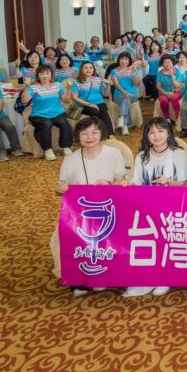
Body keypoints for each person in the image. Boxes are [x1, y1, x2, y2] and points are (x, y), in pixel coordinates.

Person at [55, 117, 128, 297]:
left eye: (94, 132)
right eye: (84, 133)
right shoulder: (70, 159)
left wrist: (110, 184)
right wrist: (60, 189)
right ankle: (80, 278)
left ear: (101, 134)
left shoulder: (114, 154)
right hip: (81, 215)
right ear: (78, 136)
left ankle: (105, 274)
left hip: (110, 210)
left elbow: (122, 183)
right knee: (67, 233)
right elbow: (61, 187)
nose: (90, 137)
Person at [123, 117, 187, 298]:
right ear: (147, 136)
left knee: (167, 240)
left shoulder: (178, 153)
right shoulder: (141, 157)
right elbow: (137, 184)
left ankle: (165, 276)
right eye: (151, 132)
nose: (156, 135)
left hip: (173, 207)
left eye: (161, 131)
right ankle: (149, 275)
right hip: (148, 208)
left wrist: (168, 181)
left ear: (168, 133)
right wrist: (127, 185)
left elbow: (184, 184)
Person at [21, 64, 73, 161]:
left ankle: (66, 147)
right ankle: (48, 150)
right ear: (38, 76)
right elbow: (24, 100)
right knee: (46, 123)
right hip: (39, 115)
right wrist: (26, 86)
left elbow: (66, 100)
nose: (45, 76)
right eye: (42, 74)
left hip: (57, 113)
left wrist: (69, 89)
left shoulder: (58, 85)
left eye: (47, 73)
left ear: (51, 75)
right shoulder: (33, 87)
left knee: (64, 123)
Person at [71, 62, 114, 138]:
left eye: (90, 68)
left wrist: (108, 84)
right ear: (81, 70)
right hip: (84, 104)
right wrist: (90, 104)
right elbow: (75, 98)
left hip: (99, 102)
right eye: (86, 68)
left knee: (104, 112)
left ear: (93, 70)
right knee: (95, 112)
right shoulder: (76, 83)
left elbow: (106, 94)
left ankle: (110, 135)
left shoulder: (98, 80)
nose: (88, 70)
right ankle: (100, 134)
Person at [109, 53, 141, 136]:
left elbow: (137, 84)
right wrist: (124, 92)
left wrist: (133, 74)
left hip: (133, 94)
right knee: (126, 98)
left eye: (126, 59)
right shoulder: (114, 71)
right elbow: (116, 85)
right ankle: (125, 125)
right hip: (119, 95)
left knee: (127, 97)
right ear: (118, 60)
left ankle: (122, 120)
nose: (124, 61)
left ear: (129, 60)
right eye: (122, 59)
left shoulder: (133, 69)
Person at [156, 54, 184, 124]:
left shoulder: (177, 71)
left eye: (169, 62)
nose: (167, 64)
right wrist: (166, 93)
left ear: (172, 63)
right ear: (162, 64)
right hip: (164, 91)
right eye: (165, 62)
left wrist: (172, 76)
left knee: (173, 97)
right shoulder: (160, 72)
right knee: (163, 100)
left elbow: (177, 86)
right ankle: (167, 118)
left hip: (177, 91)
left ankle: (178, 117)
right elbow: (158, 86)